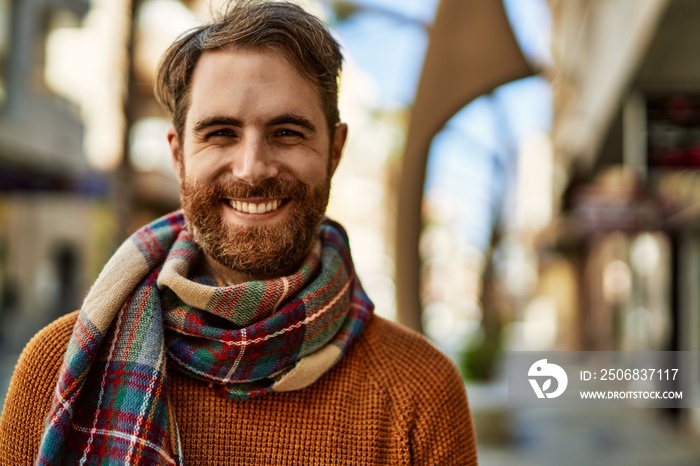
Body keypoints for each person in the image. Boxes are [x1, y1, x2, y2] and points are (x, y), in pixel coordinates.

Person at [0, 1, 477, 464]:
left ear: (335, 151)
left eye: (287, 132)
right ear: (179, 155)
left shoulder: (421, 392)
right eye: (221, 133)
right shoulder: (56, 370)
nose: (252, 169)